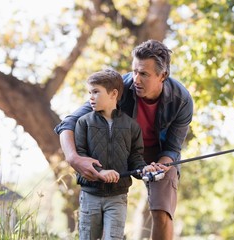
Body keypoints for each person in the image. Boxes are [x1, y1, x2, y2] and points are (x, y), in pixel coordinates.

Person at [55, 39, 194, 240]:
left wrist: (161, 166)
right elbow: (69, 123)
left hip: (159, 154)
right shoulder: (118, 89)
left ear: (162, 75)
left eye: (144, 74)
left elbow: (172, 149)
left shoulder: (182, 101)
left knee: (162, 210)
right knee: (102, 208)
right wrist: (73, 158)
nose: (136, 79)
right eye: (135, 71)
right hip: (121, 148)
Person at [73, 69, 156, 240]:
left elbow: (135, 158)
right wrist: (100, 172)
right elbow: (80, 156)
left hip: (117, 197)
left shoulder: (131, 126)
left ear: (113, 94)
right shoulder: (84, 123)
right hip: (90, 196)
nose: (91, 97)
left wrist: (144, 169)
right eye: (89, 92)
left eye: (96, 92)